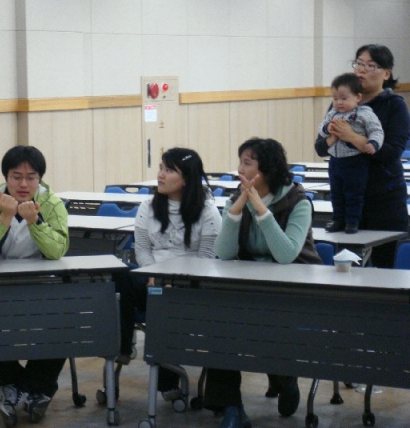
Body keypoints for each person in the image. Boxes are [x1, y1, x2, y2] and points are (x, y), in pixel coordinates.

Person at [207, 138, 322, 428]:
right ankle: (231, 406)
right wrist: (236, 211)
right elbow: (224, 253)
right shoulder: (237, 199)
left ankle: (285, 379)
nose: (239, 169)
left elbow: (286, 254)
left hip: (291, 287)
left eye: (247, 163)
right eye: (240, 162)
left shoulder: (298, 202)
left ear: (267, 169)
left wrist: (260, 208)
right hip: (250, 285)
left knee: (271, 325)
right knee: (220, 323)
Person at [0, 145, 69, 427]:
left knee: (66, 320)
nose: (23, 184)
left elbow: (57, 250)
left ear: (40, 179)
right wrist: (4, 217)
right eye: (16, 177)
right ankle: (29, 389)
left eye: (31, 177)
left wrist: (34, 221)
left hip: (42, 287)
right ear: (6, 177)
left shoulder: (52, 204)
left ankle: (17, 390)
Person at [115, 147, 222, 400]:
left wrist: (174, 280)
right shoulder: (148, 207)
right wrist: (153, 274)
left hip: (188, 286)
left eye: (169, 170)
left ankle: (167, 381)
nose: (160, 175)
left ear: (186, 179)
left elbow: (207, 257)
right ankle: (123, 347)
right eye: (161, 168)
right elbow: (142, 249)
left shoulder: (207, 211)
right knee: (118, 274)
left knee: (163, 298)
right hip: (152, 278)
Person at [315, 44, 410, 267]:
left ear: (386, 74)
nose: (362, 70)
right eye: (358, 63)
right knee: (348, 268)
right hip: (347, 201)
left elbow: (391, 153)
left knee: (385, 271)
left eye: (371, 65)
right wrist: (333, 137)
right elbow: (321, 147)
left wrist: (352, 137)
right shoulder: (340, 103)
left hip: (384, 202)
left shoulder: (394, 105)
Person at [318, 72, 384, 234]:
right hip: (335, 160)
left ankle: (352, 222)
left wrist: (373, 143)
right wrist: (327, 128)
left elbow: (376, 131)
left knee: (353, 193)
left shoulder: (364, 114)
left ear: (357, 97)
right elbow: (321, 129)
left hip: (355, 160)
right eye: (335, 99)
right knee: (336, 193)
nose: (339, 102)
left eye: (344, 98)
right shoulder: (332, 114)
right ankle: (337, 219)